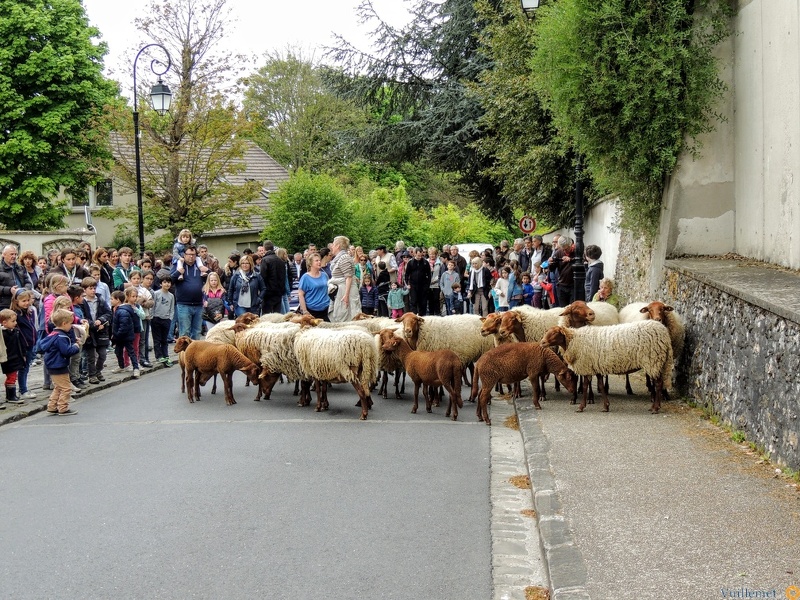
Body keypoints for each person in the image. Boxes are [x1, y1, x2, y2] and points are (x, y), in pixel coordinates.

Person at [40, 309, 82, 416]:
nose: (71, 326)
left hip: (52, 364)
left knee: (58, 387)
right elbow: (66, 351)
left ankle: (52, 406)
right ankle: (63, 408)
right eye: (70, 323)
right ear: (64, 323)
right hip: (59, 364)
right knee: (66, 388)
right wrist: (76, 346)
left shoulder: (53, 334)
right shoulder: (61, 337)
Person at [79, 277, 111, 384]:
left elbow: (108, 313)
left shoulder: (100, 300)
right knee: (91, 356)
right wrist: (93, 325)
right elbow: (82, 317)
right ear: (84, 290)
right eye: (90, 288)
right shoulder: (82, 302)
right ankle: (92, 375)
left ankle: (98, 371)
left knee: (102, 354)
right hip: (89, 332)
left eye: (94, 288)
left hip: (101, 332)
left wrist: (101, 320)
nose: (93, 290)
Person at [170, 245, 205, 340]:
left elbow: (212, 278)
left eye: (193, 254)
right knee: (185, 332)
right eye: (189, 254)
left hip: (199, 304)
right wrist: (178, 272)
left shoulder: (200, 265)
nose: (191, 257)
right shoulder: (178, 265)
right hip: (184, 304)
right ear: (184, 255)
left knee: (197, 332)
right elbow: (169, 280)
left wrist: (208, 271)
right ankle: (184, 354)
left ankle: (195, 354)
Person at [12, 290, 38, 399]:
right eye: (23, 301)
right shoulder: (16, 315)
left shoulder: (28, 312)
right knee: (23, 368)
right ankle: (23, 390)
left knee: (26, 367)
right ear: (16, 301)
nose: (27, 303)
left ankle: (24, 388)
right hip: (23, 346)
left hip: (31, 344)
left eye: (28, 300)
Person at [328, 236, 360, 322]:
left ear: (338, 246)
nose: (332, 246)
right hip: (340, 291)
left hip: (345, 293)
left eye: (333, 244)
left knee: (347, 316)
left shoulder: (344, 258)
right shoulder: (339, 258)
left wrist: (346, 295)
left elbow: (348, 277)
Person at [111, 289, 141, 378]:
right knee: (118, 351)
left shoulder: (122, 311)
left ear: (118, 300)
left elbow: (123, 326)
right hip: (120, 336)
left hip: (125, 336)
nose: (110, 301)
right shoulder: (118, 309)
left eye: (112, 299)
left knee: (131, 352)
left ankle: (136, 368)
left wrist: (117, 335)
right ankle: (121, 366)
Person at [1, 309, 26, 404]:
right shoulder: (3, 334)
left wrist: (23, 354)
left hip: (16, 357)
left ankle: (11, 395)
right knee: (11, 377)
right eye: (13, 321)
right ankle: (11, 396)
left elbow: (20, 344)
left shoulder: (16, 331)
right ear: (4, 322)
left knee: (13, 376)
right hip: (9, 359)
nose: (15, 323)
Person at [297, 252, 330, 321]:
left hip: (326, 309)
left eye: (319, 260)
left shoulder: (324, 275)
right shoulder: (305, 277)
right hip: (312, 311)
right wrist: (305, 311)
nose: (319, 262)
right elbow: (300, 295)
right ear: (310, 263)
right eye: (316, 261)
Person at [131, 270, 154, 367]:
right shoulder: (128, 290)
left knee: (143, 339)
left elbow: (151, 302)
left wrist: (143, 303)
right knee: (134, 339)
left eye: (138, 278)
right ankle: (133, 358)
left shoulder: (145, 290)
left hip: (144, 317)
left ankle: (143, 358)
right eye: (134, 278)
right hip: (132, 318)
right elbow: (131, 302)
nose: (136, 280)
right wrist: (141, 300)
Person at [0, 244, 32, 310]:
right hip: (6, 305)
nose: (14, 256)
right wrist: (9, 290)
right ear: (4, 255)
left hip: (22, 304)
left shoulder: (20, 268)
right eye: (11, 254)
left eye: (15, 254)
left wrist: (24, 290)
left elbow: (28, 282)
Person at [152, 277, 175, 367]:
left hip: (166, 319)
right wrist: (153, 316)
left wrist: (170, 318)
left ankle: (166, 355)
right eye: (165, 282)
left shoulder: (171, 296)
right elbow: (153, 306)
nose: (167, 284)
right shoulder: (156, 293)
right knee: (157, 339)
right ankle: (158, 356)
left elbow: (172, 308)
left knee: (164, 339)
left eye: (169, 282)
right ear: (161, 284)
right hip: (156, 318)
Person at [260, 240, 287, 314]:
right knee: (277, 314)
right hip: (278, 292)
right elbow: (283, 277)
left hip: (268, 293)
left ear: (264, 248)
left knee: (267, 316)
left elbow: (263, 277)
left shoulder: (265, 260)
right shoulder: (280, 261)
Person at [405, 246, 431, 316]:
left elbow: (429, 275)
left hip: (423, 285)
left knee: (423, 302)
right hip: (413, 285)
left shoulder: (425, 262)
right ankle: (414, 315)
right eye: (418, 255)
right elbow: (407, 274)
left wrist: (427, 286)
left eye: (421, 255)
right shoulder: (410, 263)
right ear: (414, 254)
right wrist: (407, 284)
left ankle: (422, 316)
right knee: (413, 301)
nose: (419, 257)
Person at [552, 236, 574, 307]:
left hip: (573, 285)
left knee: (573, 308)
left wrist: (570, 259)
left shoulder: (577, 251)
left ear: (570, 245)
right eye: (563, 249)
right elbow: (552, 269)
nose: (565, 251)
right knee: (563, 308)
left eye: (566, 249)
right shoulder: (559, 252)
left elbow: (581, 262)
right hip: (561, 285)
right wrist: (550, 263)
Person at [427, 247, 443, 316]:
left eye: (433, 254)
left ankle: (437, 314)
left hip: (437, 284)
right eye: (430, 254)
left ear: (436, 254)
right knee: (430, 300)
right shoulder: (426, 262)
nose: (432, 256)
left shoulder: (440, 263)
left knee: (436, 299)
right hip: (428, 284)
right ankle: (431, 314)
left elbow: (442, 274)